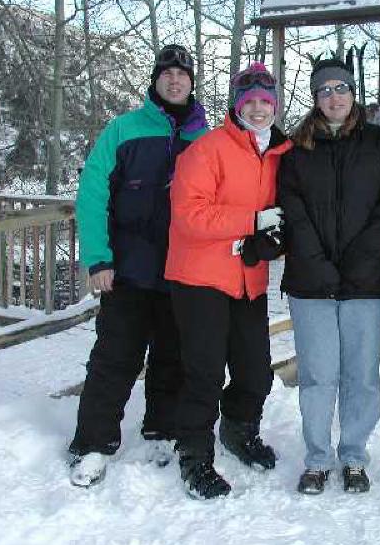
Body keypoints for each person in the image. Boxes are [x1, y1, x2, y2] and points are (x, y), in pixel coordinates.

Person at [68, 44, 208, 487]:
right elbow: (92, 194)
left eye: (181, 74)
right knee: (115, 358)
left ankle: (161, 431)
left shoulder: (205, 138)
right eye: (166, 73)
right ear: (155, 80)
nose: (174, 80)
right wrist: (97, 258)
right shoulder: (123, 130)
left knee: (172, 357)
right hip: (125, 270)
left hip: (182, 271)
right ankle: (92, 443)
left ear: (191, 82)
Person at [165, 62, 292, 500]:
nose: (258, 109)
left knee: (255, 370)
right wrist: (252, 222)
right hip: (200, 277)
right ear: (237, 105)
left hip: (247, 279)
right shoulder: (207, 150)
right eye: (250, 101)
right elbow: (189, 215)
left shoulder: (279, 152)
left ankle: (239, 431)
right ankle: (194, 457)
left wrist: (276, 237)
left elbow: (286, 210)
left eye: (266, 101)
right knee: (204, 372)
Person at [278, 59, 380, 495]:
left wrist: (362, 262)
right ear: (315, 98)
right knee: (317, 374)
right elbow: (293, 213)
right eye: (325, 90)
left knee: (360, 375)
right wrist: (318, 264)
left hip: (365, 282)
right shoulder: (297, 152)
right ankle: (317, 458)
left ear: (354, 94)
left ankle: (353, 454)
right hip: (311, 282)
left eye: (342, 89)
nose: (334, 97)